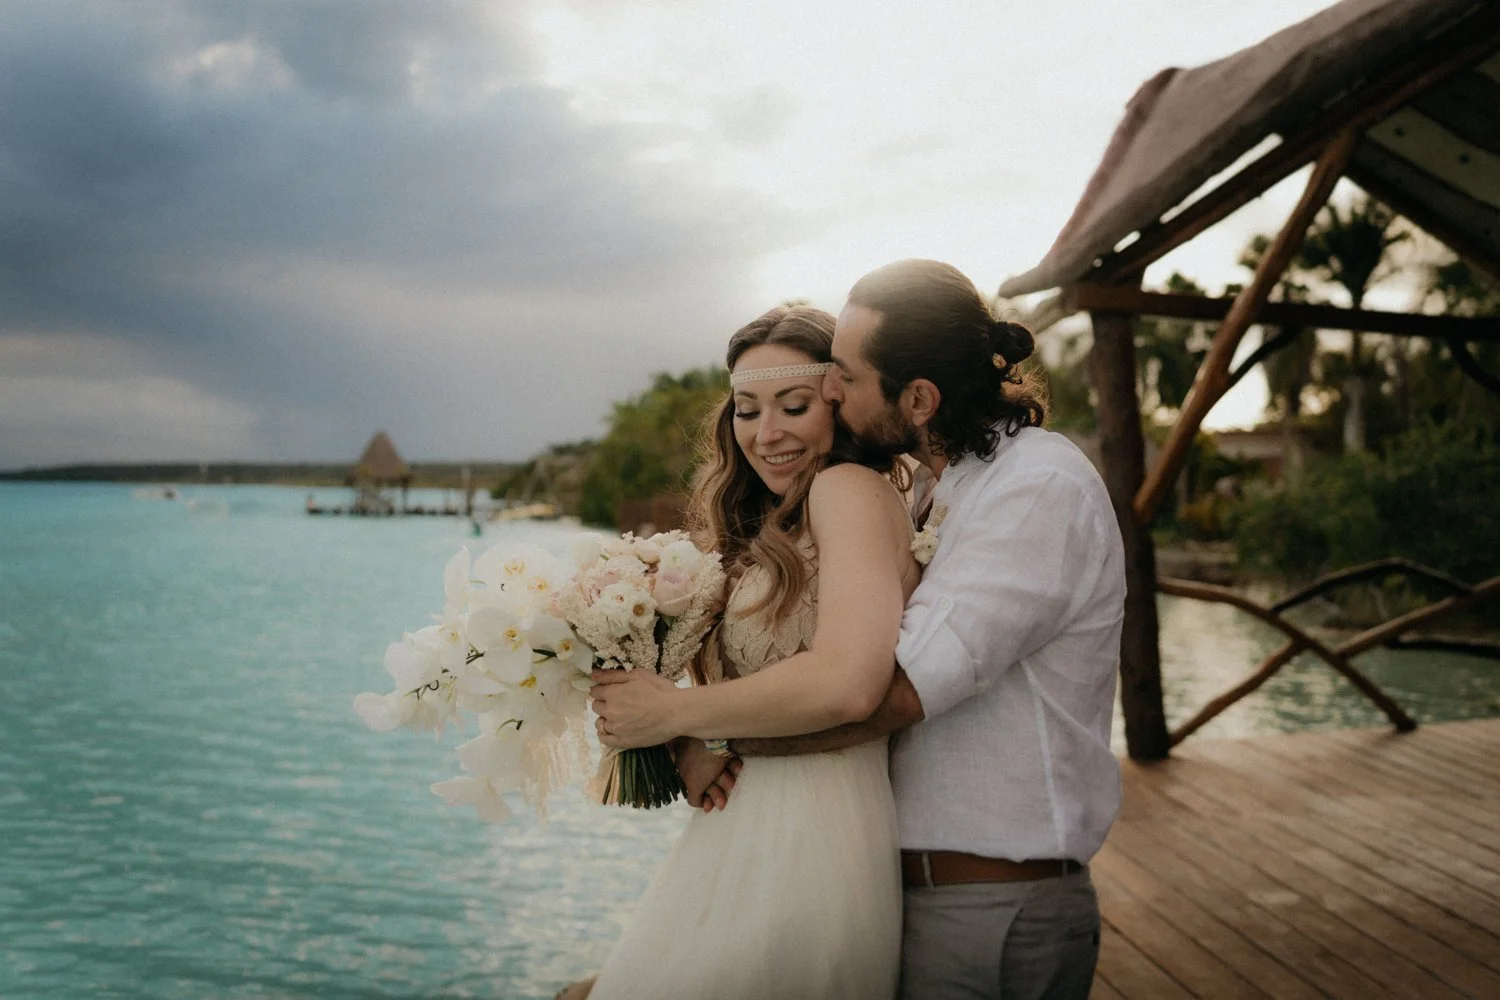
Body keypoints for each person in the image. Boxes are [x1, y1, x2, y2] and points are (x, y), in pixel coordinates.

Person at [594, 259, 1126, 1000]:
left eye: (841, 376)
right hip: (895, 879)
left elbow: (885, 692)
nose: (831, 392)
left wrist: (688, 725)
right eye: (750, 408)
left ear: (919, 398)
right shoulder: (931, 487)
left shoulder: (1035, 487)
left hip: (991, 899)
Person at [566, 304, 921, 1000]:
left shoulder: (848, 489)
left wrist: (676, 715)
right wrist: (694, 739)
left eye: (794, 406)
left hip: (813, 834)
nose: (766, 434)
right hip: (737, 826)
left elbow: (850, 682)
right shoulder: (768, 519)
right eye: (748, 412)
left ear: (839, 402)